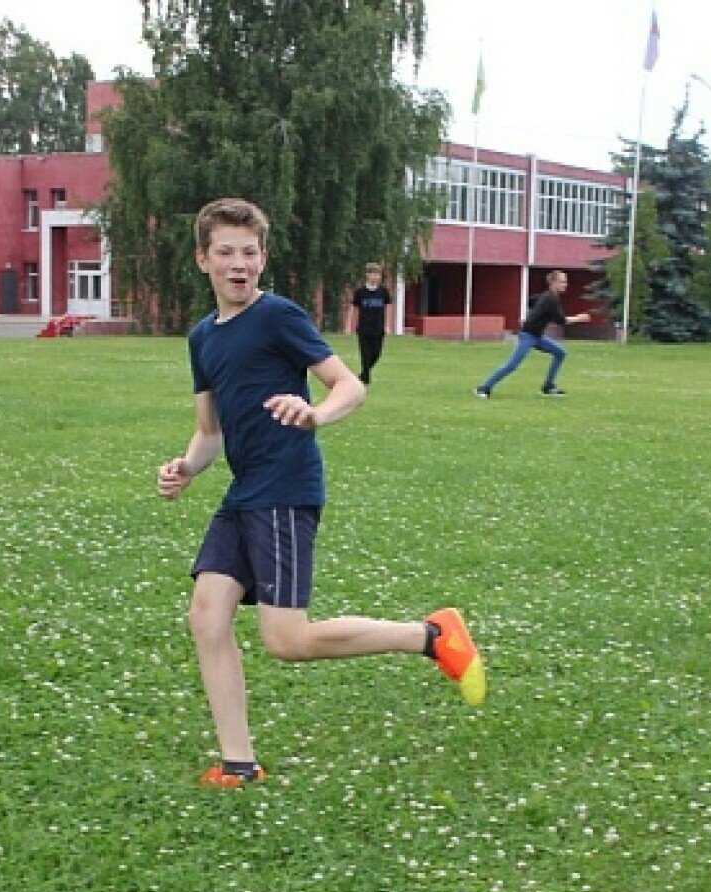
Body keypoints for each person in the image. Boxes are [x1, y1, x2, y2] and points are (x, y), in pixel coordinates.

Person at [157, 198, 486, 788]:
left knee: (288, 640)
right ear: (203, 259)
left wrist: (315, 414)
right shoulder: (202, 338)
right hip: (243, 491)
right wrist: (185, 467)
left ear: (263, 258)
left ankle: (431, 636)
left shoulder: (278, 316)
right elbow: (211, 431)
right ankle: (238, 764)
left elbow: (349, 386)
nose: (239, 264)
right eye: (226, 252)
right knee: (207, 616)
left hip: (285, 490)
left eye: (249, 252)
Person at [473, 269, 592, 398]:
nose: (565, 284)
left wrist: (532, 316)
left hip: (537, 336)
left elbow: (531, 301)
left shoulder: (546, 296)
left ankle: (548, 387)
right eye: (562, 282)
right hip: (528, 336)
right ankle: (483, 389)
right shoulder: (550, 299)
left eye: (565, 282)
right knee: (512, 365)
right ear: (553, 283)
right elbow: (561, 321)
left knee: (560, 353)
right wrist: (580, 318)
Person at [350, 263, 392, 386]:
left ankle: (362, 375)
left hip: (378, 328)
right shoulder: (360, 292)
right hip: (363, 329)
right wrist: (349, 325)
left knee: (376, 354)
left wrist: (387, 325)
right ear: (367, 275)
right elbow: (354, 309)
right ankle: (365, 382)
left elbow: (388, 308)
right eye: (372, 274)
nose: (375, 277)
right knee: (365, 355)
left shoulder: (383, 292)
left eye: (377, 274)